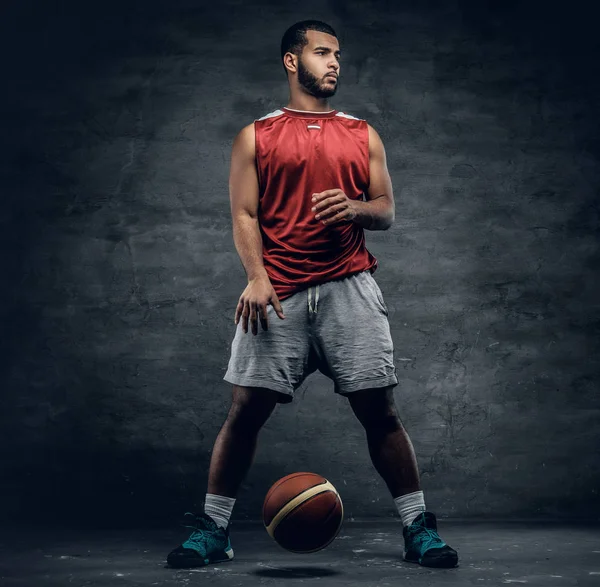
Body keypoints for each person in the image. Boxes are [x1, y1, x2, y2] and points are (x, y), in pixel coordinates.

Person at [166, 19, 458, 570]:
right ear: (291, 61)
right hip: (277, 291)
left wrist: (355, 208)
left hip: (350, 288)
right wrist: (256, 276)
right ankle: (213, 529)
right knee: (245, 410)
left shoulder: (363, 133)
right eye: (322, 53)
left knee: (381, 412)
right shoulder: (256, 135)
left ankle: (418, 528)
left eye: (338, 54)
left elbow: (387, 210)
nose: (335, 63)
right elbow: (244, 214)